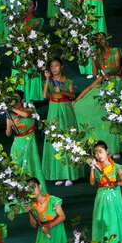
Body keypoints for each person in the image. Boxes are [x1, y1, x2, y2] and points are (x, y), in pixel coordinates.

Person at [41, 58, 81, 186]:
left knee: (67, 137)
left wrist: (62, 91)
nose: (54, 68)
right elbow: (44, 95)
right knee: (55, 138)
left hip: (65, 108)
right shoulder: (48, 81)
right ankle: (58, 174)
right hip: (53, 109)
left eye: (56, 66)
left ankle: (69, 174)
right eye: (52, 66)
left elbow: (72, 95)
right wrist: (47, 79)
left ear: (61, 67)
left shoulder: (68, 81)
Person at [88, 141, 122, 243]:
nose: (99, 155)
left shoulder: (116, 167)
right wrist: (92, 168)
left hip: (114, 197)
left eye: (100, 152)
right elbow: (92, 183)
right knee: (102, 220)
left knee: (114, 219)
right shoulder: (96, 167)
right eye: (96, 153)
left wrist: (116, 183)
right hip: (101, 197)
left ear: (107, 151)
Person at [5, 92, 45, 186]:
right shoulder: (11, 115)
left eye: (17, 102)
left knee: (30, 167)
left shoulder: (30, 108)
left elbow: (27, 115)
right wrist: (9, 127)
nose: (15, 104)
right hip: (17, 144)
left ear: (22, 100)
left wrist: (12, 109)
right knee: (17, 168)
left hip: (29, 142)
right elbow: (8, 134)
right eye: (13, 102)